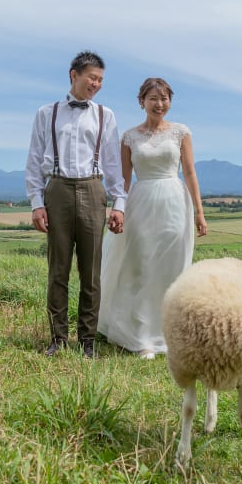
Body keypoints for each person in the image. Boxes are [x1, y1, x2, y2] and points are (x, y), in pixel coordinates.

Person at [25, 51, 126, 359]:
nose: (96, 84)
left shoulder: (105, 115)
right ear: (74, 75)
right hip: (56, 188)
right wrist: (36, 202)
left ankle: (88, 340)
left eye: (100, 80)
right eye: (91, 77)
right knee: (57, 270)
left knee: (91, 271)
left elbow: (112, 163)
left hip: (93, 189)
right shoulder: (47, 113)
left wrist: (119, 202)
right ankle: (57, 338)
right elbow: (33, 160)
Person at [98, 77, 208, 359]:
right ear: (142, 102)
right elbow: (123, 179)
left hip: (174, 200)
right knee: (141, 265)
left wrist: (199, 211)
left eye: (165, 99)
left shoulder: (181, 133)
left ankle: (171, 332)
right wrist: (117, 208)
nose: (160, 104)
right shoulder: (129, 137)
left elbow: (190, 172)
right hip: (141, 202)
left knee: (172, 268)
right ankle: (142, 336)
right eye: (153, 99)